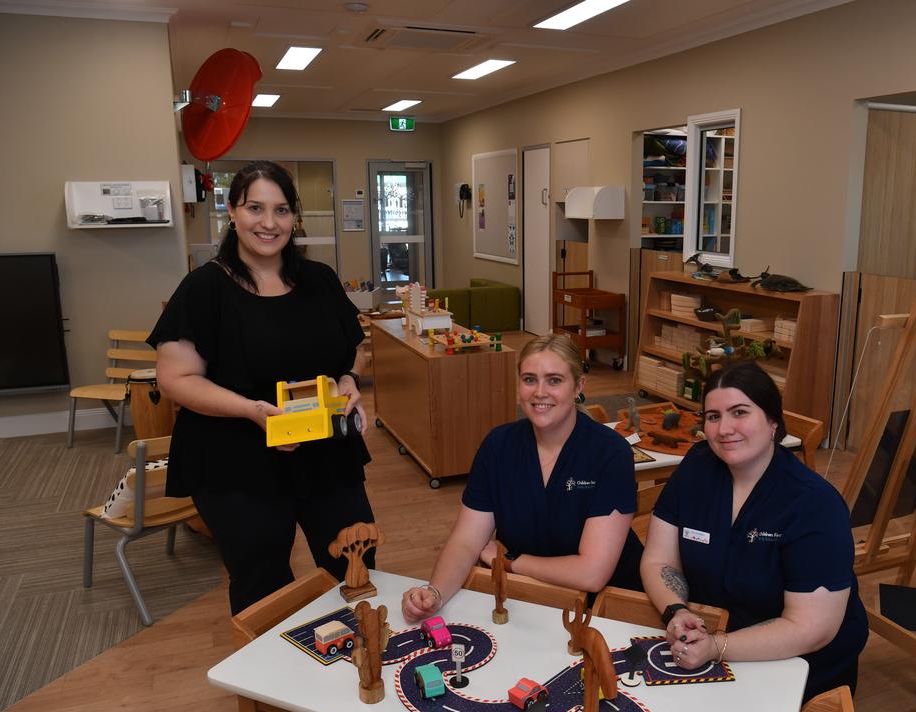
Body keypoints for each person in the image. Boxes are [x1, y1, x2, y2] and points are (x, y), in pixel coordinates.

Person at [149, 160, 374, 615]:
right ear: (232, 212)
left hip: (326, 453)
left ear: (295, 217)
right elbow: (174, 378)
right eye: (256, 208)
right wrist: (252, 410)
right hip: (238, 463)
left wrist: (349, 381)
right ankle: (275, 681)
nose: (269, 223)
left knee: (356, 562)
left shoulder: (320, 280)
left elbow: (355, 350)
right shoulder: (206, 288)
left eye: (282, 210)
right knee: (263, 583)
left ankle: (357, 663)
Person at [640, 360, 867, 712]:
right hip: (707, 647)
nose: (724, 428)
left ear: (773, 422)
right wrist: (675, 610)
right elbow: (658, 558)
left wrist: (717, 647)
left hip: (796, 667)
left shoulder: (813, 504)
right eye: (713, 416)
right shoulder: (697, 467)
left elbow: (811, 628)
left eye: (740, 412)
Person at [401, 334, 644, 623]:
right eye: (530, 379)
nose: (540, 392)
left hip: (605, 612)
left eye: (554, 380)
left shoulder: (609, 452)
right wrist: (435, 593)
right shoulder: (498, 445)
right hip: (525, 601)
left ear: (578, 386)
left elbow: (591, 574)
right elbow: (467, 541)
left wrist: (510, 562)